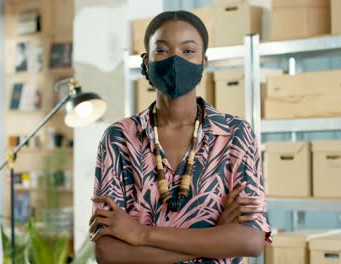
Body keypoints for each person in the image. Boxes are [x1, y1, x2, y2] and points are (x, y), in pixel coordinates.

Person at [90, 10, 271, 264]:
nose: (176, 61)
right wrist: (214, 238)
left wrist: (141, 234)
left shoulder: (235, 134)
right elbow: (109, 253)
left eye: (188, 51)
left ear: (203, 61)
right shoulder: (119, 139)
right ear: (146, 62)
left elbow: (251, 242)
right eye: (162, 51)